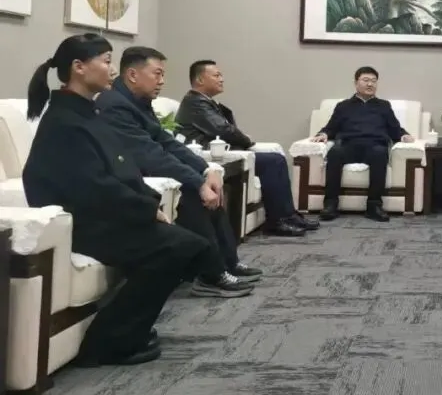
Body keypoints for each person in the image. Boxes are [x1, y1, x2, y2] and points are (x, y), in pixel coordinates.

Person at [21, 34, 222, 366]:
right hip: (84, 222)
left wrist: (149, 203)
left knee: (192, 246)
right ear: (79, 67)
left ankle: (129, 329)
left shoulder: (88, 112)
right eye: (106, 61)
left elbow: (121, 168)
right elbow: (93, 186)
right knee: (181, 248)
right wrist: (147, 209)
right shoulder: (65, 121)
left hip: (106, 213)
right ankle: (107, 343)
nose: (112, 70)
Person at [97, 46, 257, 298]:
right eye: (157, 74)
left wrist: (206, 170)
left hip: (145, 168)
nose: (162, 81)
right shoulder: (114, 105)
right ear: (133, 75)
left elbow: (167, 142)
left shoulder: (137, 101)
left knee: (209, 185)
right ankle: (211, 274)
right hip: (127, 175)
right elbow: (150, 154)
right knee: (193, 192)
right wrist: (197, 182)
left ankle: (228, 262)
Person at [176, 60, 316, 237]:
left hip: (227, 152)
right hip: (213, 155)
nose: (222, 79)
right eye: (216, 75)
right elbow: (223, 129)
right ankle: (278, 221)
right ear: (200, 80)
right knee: (272, 161)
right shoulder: (195, 102)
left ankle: (288, 216)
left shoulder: (205, 102)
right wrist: (247, 141)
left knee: (275, 159)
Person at [310, 66, 414, 222]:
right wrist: (323, 134)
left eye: (373, 81)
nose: (370, 84)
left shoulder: (384, 106)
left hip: (374, 145)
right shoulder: (343, 106)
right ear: (356, 83)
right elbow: (331, 127)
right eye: (366, 80)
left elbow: (394, 128)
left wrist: (403, 135)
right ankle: (330, 204)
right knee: (334, 153)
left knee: (380, 154)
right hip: (349, 145)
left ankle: (374, 205)